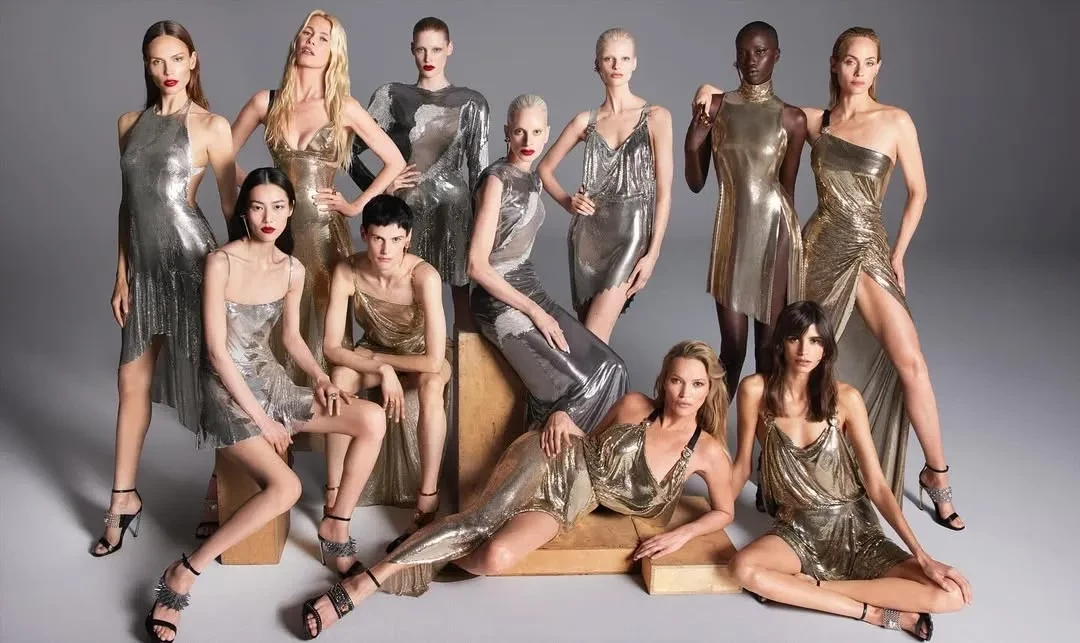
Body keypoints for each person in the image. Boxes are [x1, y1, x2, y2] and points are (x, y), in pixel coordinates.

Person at [693, 28, 964, 529]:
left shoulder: (896, 120)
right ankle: (784, 473)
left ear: (879, 68)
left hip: (870, 250)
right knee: (798, 366)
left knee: (911, 362)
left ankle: (937, 474)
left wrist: (898, 255)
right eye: (850, 61)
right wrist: (709, 92)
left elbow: (919, 193)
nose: (859, 71)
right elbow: (757, 104)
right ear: (834, 64)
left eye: (869, 62)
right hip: (816, 251)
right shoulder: (818, 122)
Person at [300, 340, 736, 638]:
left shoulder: (709, 452)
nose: (684, 393)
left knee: (496, 556)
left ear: (710, 388)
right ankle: (361, 588)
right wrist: (561, 418)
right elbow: (587, 440)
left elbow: (725, 512)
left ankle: (417, 553)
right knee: (479, 522)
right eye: (677, 380)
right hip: (553, 456)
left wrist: (681, 535)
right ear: (664, 379)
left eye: (697, 384)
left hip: (572, 502)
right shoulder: (636, 405)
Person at [144, 168, 389, 642]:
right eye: (257, 207)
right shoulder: (221, 263)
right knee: (287, 488)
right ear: (244, 212)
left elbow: (292, 339)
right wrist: (266, 423)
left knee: (371, 419)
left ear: (291, 210)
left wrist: (321, 378)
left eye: (278, 207)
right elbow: (217, 353)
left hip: (269, 379)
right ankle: (184, 573)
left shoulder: (293, 269)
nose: (268, 217)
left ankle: (336, 528)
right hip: (225, 390)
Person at [728, 301, 970, 641]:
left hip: (856, 530)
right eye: (795, 338)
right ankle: (874, 613)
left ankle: (814, 588)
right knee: (742, 568)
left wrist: (922, 555)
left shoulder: (846, 398)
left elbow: (877, 486)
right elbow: (742, 466)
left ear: (826, 348)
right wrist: (708, 517)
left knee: (951, 595)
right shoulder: (755, 390)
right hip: (797, 528)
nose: (804, 350)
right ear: (780, 342)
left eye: (815, 341)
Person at [93, 20, 236, 558]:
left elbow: (232, 210)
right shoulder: (129, 123)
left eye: (177, 58)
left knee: (214, 379)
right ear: (147, 67)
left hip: (193, 265)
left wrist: (240, 277)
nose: (167, 70)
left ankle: (222, 488)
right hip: (145, 272)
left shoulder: (212, 126)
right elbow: (128, 204)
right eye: (157, 61)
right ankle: (122, 499)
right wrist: (121, 273)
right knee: (130, 381)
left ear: (193, 60)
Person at [230, 9, 406, 386]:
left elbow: (394, 161)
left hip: (324, 235)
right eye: (307, 33)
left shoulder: (344, 107)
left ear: (334, 53)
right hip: (275, 232)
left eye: (323, 38)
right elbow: (220, 157)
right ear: (296, 41)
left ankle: (326, 412)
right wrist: (256, 190)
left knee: (324, 326)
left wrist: (355, 206)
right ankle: (276, 414)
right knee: (274, 318)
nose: (311, 41)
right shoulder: (266, 102)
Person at [469, 94, 628, 433]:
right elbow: (477, 267)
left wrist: (571, 202)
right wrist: (536, 313)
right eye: (519, 132)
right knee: (579, 388)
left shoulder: (535, 179)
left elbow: (542, 195)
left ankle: (588, 457)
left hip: (531, 290)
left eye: (537, 133)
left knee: (613, 368)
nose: (528, 142)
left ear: (547, 134)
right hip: (497, 299)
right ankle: (550, 456)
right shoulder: (496, 180)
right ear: (506, 132)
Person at [322, 194, 451, 550]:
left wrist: (383, 364)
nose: (385, 249)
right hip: (376, 352)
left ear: (408, 238)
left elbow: (434, 361)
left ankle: (428, 496)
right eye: (378, 238)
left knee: (431, 386)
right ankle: (333, 494)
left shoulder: (423, 276)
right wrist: (380, 367)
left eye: (395, 239)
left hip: (420, 356)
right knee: (340, 378)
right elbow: (332, 347)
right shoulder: (348, 270)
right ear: (363, 234)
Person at [684, 20, 806, 397]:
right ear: (735, 58)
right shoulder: (716, 106)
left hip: (775, 236)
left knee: (768, 353)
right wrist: (692, 144)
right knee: (732, 348)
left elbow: (787, 190)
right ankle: (713, 428)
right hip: (732, 236)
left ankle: (761, 434)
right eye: (743, 53)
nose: (751, 60)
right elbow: (696, 183)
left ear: (776, 56)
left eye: (760, 52)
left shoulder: (792, 119)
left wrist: (793, 250)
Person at [348, 16, 489, 329]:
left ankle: (462, 361)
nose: (428, 57)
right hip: (407, 210)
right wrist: (382, 190)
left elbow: (479, 174)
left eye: (436, 49)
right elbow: (346, 153)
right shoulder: (391, 96)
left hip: (455, 211)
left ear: (450, 49)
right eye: (422, 49)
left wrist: (484, 232)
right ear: (411, 49)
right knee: (408, 294)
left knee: (462, 300)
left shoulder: (472, 103)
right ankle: (412, 359)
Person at [537, 28, 673, 343]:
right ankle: (606, 381)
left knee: (592, 337)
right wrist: (568, 202)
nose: (616, 65)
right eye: (609, 58)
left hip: (631, 235)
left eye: (624, 58)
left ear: (635, 63)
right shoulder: (585, 121)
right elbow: (544, 169)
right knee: (591, 341)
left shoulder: (656, 117)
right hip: (587, 238)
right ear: (597, 64)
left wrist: (652, 254)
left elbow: (665, 192)